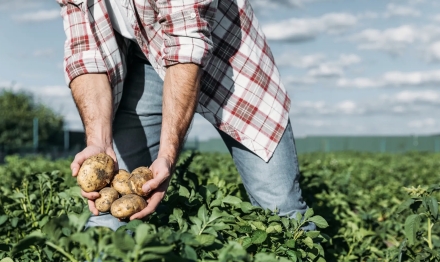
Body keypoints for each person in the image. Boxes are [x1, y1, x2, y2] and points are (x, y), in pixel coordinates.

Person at [57, 0, 315, 231]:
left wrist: (167, 156)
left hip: (228, 57)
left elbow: (186, 44)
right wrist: (98, 143)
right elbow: (85, 54)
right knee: (108, 206)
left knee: (282, 210)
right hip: (140, 56)